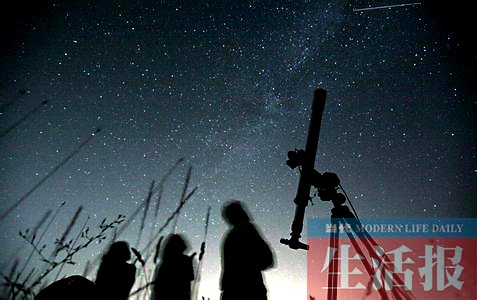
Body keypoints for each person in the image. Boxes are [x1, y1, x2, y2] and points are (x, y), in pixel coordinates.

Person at [220, 200, 275, 300]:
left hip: (231, 290)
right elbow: (268, 259)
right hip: (251, 289)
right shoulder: (248, 229)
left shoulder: (229, 236)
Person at [152, 234, 195, 300]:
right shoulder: (186, 260)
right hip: (181, 295)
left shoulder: (165, 262)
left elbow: (157, 287)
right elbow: (191, 277)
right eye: (181, 241)